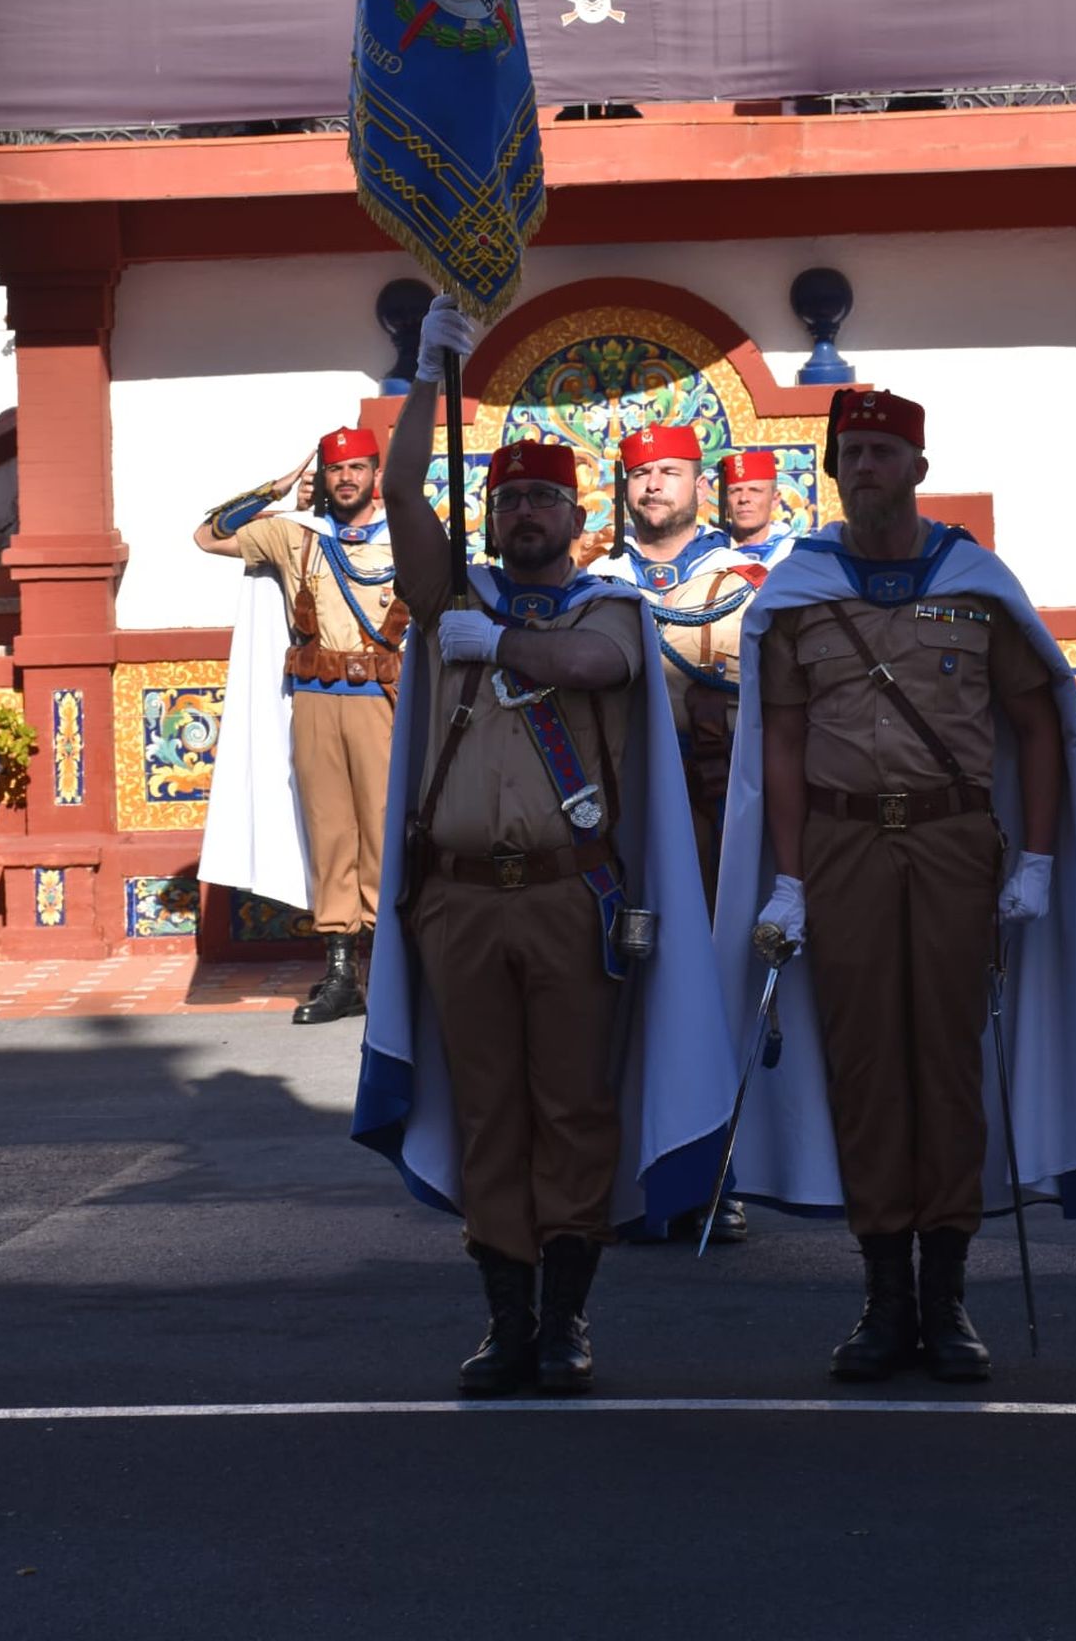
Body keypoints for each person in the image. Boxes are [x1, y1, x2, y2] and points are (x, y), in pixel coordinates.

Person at [714, 387, 1076, 1383]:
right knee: (866, 1064)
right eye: (851, 453)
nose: (865, 467)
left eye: (882, 451)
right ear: (834, 471)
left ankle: (948, 1296)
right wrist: (787, 880)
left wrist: (1036, 858)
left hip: (955, 844)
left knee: (951, 1064)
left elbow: (1039, 724)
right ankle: (885, 1298)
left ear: (919, 466)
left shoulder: (974, 582)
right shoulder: (800, 591)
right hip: (841, 847)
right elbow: (778, 744)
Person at [352, 298, 736, 1395]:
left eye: (544, 500)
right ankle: (504, 1317)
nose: (525, 514)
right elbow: (399, 494)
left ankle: (566, 1317)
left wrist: (503, 641)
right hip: (461, 899)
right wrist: (424, 377)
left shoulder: (610, 605)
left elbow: (595, 668)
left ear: (577, 517)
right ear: (490, 513)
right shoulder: (448, 595)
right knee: (488, 1107)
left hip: (574, 898)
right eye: (510, 498)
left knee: (572, 1106)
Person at [597, 421, 766, 1246]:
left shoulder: (748, 584)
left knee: (709, 993)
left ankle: (714, 1174)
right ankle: (621, 1176)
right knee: (612, 996)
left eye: (669, 470)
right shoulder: (594, 585)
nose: (653, 484)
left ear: (702, 484)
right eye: (640, 472)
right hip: (614, 822)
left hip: (710, 820)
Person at [195, 425, 405, 1023]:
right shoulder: (297, 536)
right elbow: (209, 536)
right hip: (315, 696)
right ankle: (341, 972)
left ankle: (388, 970)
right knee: (328, 830)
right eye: (336, 470)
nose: (346, 479)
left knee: (383, 829)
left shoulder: (406, 537)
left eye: (357, 468)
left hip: (381, 697)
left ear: (376, 475)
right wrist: (278, 488)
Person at [720, 445, 796, 570]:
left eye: (755, 490)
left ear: (775, 500)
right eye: (735, 491)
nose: (743, 499)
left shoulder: (795, 553)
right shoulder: (711, 553)